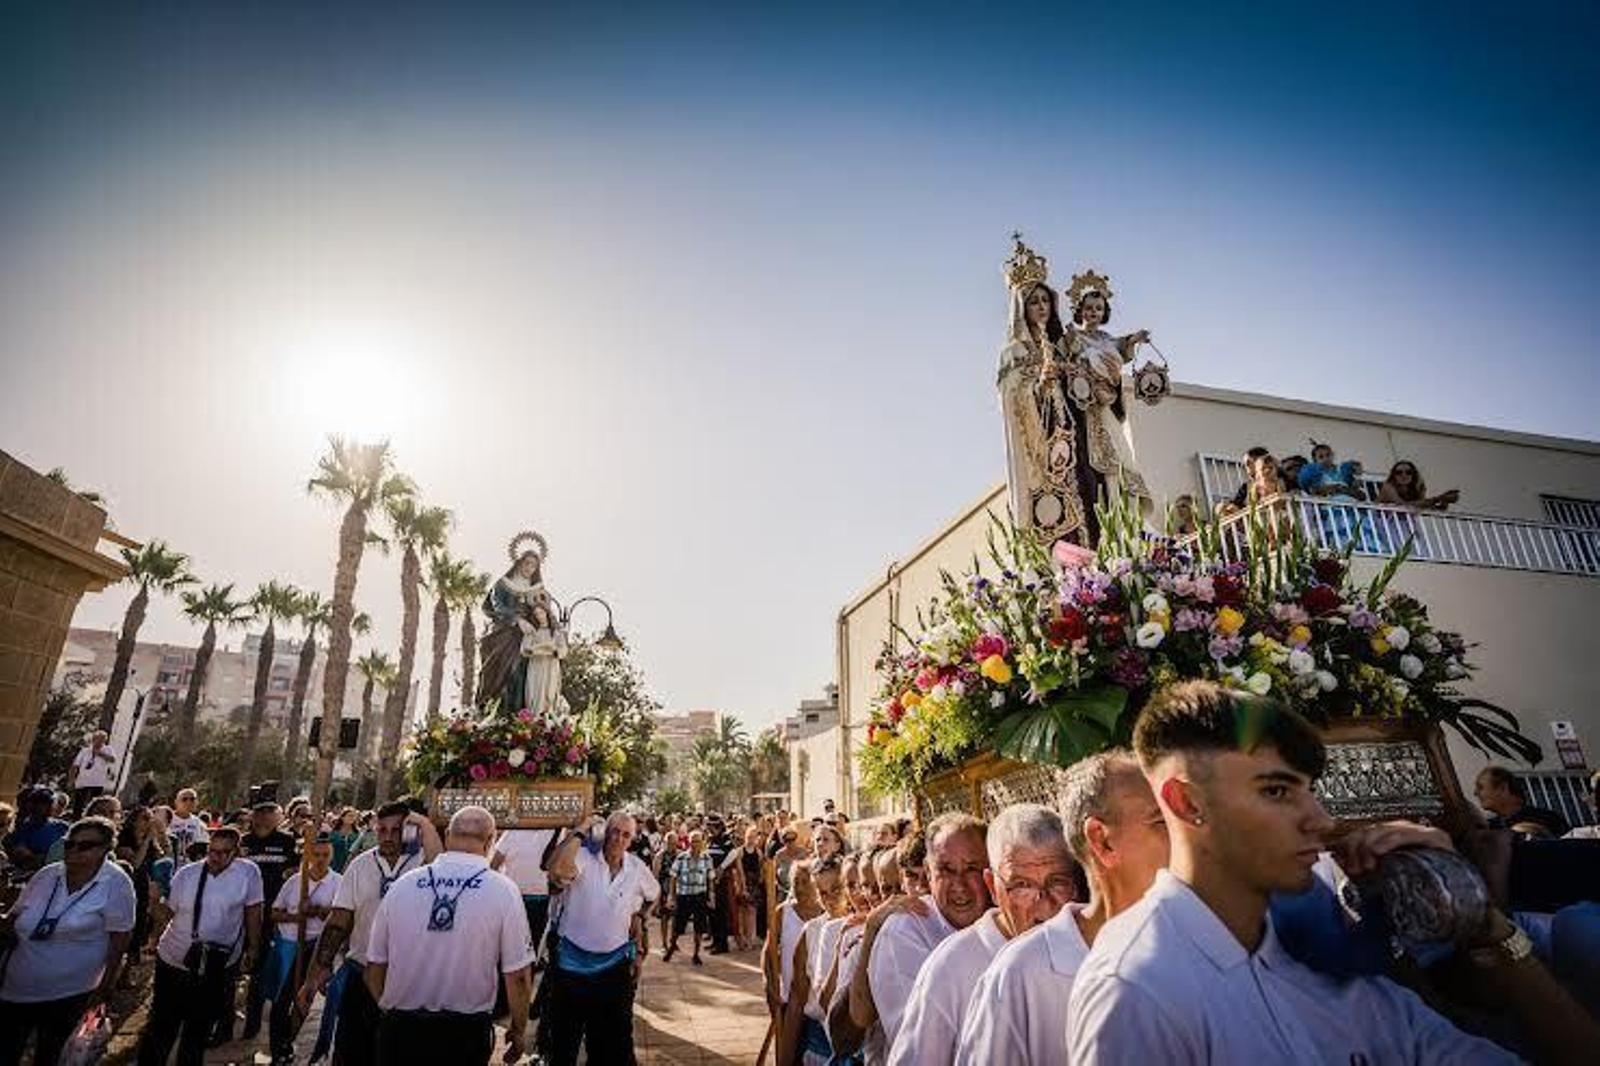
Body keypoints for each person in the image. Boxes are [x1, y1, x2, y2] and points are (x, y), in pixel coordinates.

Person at [1067, 680, 1599, 1065]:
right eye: (1276, 791)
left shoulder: (1320, 949)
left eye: (1308, 790)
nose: (1321, 822)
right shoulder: (1136, 991)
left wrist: (1479, 918)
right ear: (1185, 803)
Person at [958, 750, 1166, 1065]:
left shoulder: (1188, 947)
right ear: (1102, 840)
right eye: (1159, 821)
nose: (1182, 835)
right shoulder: (1018, 974)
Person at [892, 805, 1076, 1066]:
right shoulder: (949, 968)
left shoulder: (1095, 950)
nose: (1043, 902)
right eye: (1022, 885)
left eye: (1057, 881)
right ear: (992, 885)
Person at [364, 807, 533, 1065]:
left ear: (447, 836)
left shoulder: (404, 884)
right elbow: (518, 976)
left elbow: (374, 966)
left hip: (400, 1029)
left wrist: (390, 1010)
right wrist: (518, 1030)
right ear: (490, 841)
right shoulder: (503, 890)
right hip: (463, 1034)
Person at [830, 812, 990, 1063]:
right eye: (946, 870)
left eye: (971, 869)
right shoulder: (904, 931)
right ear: (929, 871)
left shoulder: (1012, 919)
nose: (960, 884)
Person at [296, 800, 442, 1066]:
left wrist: (423, 823)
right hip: (360, 974)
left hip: (407, 981)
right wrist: (313, 976)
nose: (387, 836)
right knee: (352, 1054)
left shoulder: (425, 865)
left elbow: (441, 864)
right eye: (382, 829)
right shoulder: (361, 865)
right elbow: (337, 922)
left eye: (396, 830)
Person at [0, 816, 136, 1066]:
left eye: (84, 846)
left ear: (106, 849)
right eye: (69, 844)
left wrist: (106, 987)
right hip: (17, 986)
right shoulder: (47, 874)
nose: (73, 851)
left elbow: (119, 941)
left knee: (49, 1055)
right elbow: (15, 917)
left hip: (70, 992)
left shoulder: (116, 884)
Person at [138, 827, 264, 1066]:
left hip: (218, 965)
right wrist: (153, 900)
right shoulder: (187, 874)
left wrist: (254, 946)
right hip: (174, 960)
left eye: (223, 853)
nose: (215, 857)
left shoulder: (248, 872)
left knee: (198, 1028)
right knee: (162, 1026)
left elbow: (253, 910)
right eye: (211, 851)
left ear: (236, 853)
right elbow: (166, 914)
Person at [545, 812, 661, 1066]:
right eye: (615, 832)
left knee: (608, 1046)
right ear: (605, 833)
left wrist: (640, 917)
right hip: (571, 967)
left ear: (632, 839)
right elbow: (557, 871)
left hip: (613, 968)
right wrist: (582, 828)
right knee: (564, 1044)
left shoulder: (636, 868)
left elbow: (655, 893)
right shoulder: (584, 858)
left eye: (626, 834)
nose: (619, 839)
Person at [262, 834, 340, 1064]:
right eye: (316, 855)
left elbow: (341, 918)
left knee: (305, 1001)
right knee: (281, 1000)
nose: (321, 860)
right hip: (290, 946)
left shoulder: (339, 882)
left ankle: (289, 1042)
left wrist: (316, 910)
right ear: (308, 855)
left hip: (317, 948)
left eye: (326, 855)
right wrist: (297, 916)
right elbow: (274, 912)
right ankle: (278, 1049)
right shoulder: (295, 881)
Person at [235, 801, 299, 1042]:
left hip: (271, 915)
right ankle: (221, 1021)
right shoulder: (244, 842)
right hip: (240, 914)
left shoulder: (287, 842)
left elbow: (295, 874)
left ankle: (252, 1023)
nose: (264, 819)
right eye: (260, 814)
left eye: (270, 814)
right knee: (231, 968)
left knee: (260, 973)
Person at [777, 857, 851, 1066]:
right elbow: (796, 1000)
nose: (830, 898)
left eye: (836, 888)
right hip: (818, 1044)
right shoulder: (810, 932)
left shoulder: (865, 927)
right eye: (822, 892)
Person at [490, 825, 558, 974]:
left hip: (525, 899)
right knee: (524, 952)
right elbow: (494, 866)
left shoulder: (555, 830)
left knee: (512, 951)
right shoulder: (553, 830)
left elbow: (493, 865)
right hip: (520, 899)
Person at [764, 859, 822, 1027]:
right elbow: (769, 951)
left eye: (805, 882)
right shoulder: (783, 911)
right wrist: (769, 984)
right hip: (788, 995)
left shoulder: (825, 913)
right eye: (796, 882)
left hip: (816, 1000)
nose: (800, 887)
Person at [116, 805, 167, 966]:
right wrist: (146, 841)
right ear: (133, 821)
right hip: (126, 886)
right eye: (145, 818)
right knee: (124, 925)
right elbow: (136, 863)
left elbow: (161, 856)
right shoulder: (123, 839)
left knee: (140, 925)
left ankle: (127, 972)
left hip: (144, 886)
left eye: (150, 818)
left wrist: (159, 836)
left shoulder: (149, 840)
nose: (149, 822)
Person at [1475, 765, 1571, 838]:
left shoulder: (1548, 819)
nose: (1475, 793)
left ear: (1503, 788)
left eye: (1480, 787)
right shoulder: (1488, 828)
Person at [664, 829, 714, 964]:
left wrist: (711, 895)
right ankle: (671, 947)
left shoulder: (707, 858)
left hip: (700, 896)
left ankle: (696, 955)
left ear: (702, 843)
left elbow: (710, 878)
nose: (695, 844)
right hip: (684, 896)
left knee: (699, 927)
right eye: (692, 842)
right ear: (688, 843)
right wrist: (671, 896)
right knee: (678, 927)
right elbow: (673, 877)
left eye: (698, 841)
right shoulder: (681, 858)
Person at [3, 785, 69, 874]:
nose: (39, 809)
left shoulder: (62, 828)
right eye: (36, 804)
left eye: (44, 804)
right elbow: (20, 854)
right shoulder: (23, 829)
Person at [67, 732, 117, 816]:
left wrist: (100, 754)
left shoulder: (108, 749)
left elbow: (113, 759)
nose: (101, 742)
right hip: (82, 782)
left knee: (93, 806)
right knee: (78, 805)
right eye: (99, 739)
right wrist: (71, 780)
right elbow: (75, 766)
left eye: (103, 740)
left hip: (97, 783)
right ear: (94, 739)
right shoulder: (85, 750)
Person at [1378, 460, 1459, 510]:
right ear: (1393, 476)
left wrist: (1445, 501)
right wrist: (1438, 498)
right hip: (1378, 525)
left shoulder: (1418, 489)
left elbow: (1427, 508)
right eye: (1399, 472)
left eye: (1408, 472)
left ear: (1414, 475)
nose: (1404, 475)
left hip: (1401, 527)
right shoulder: (1388, 487)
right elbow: (1403, 506)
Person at [168, 788, 210, 867]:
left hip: (189, 866)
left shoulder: (199, 823)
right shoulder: (169, 819)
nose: (189, 802)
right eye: (184, 799)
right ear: (176, 802)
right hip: (170, 864)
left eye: (192, 799)